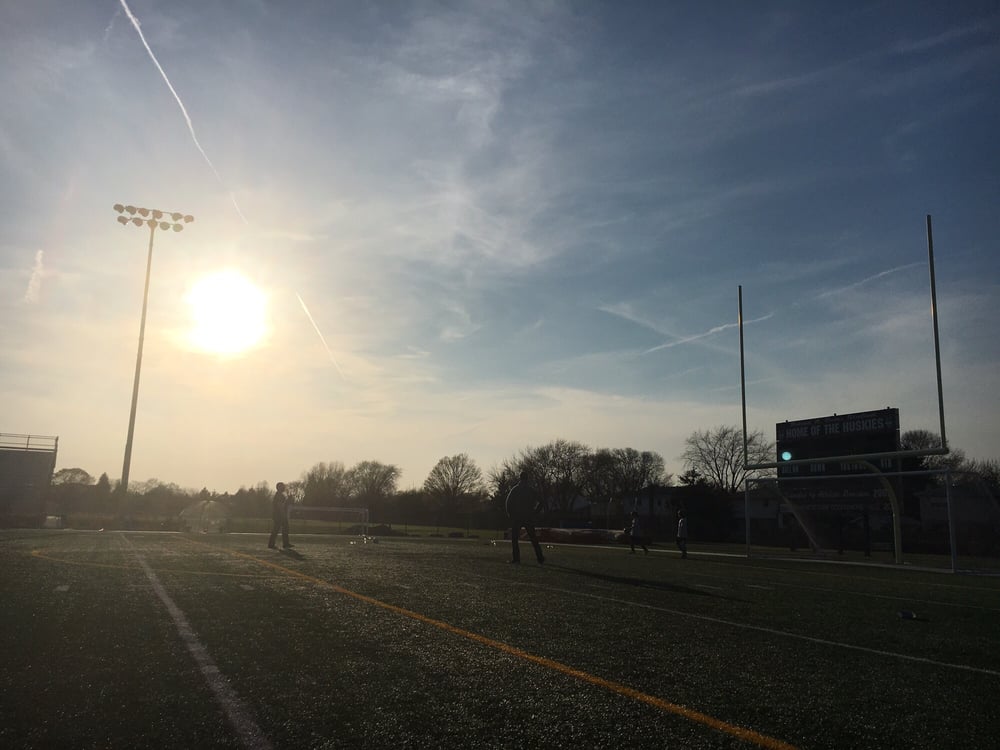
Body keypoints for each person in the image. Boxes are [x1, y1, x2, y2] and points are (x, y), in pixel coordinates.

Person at [504, 471, 545, 565]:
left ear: (520, 478)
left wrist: (510, 514)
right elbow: (541, 502)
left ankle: (516, 559)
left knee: (515, 539)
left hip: (517, 517)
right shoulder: (531, 490)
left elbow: (508, 503)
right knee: (533, 538)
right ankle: (540, 557)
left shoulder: (515, 489)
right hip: (528, 517)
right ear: (527, 479)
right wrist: (535, 512)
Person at [268, 482, 293, 549]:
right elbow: (279, 506)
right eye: (282, 486)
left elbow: (283, 504)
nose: (284, 487)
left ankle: (284, 543)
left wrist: (288, 500)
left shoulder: (280, 495)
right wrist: (283, 514)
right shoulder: (279, 495)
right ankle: (273, 544)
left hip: (278, 514)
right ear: (279, 487)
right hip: (279, 515)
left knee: (283, 528)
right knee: (277, 529)